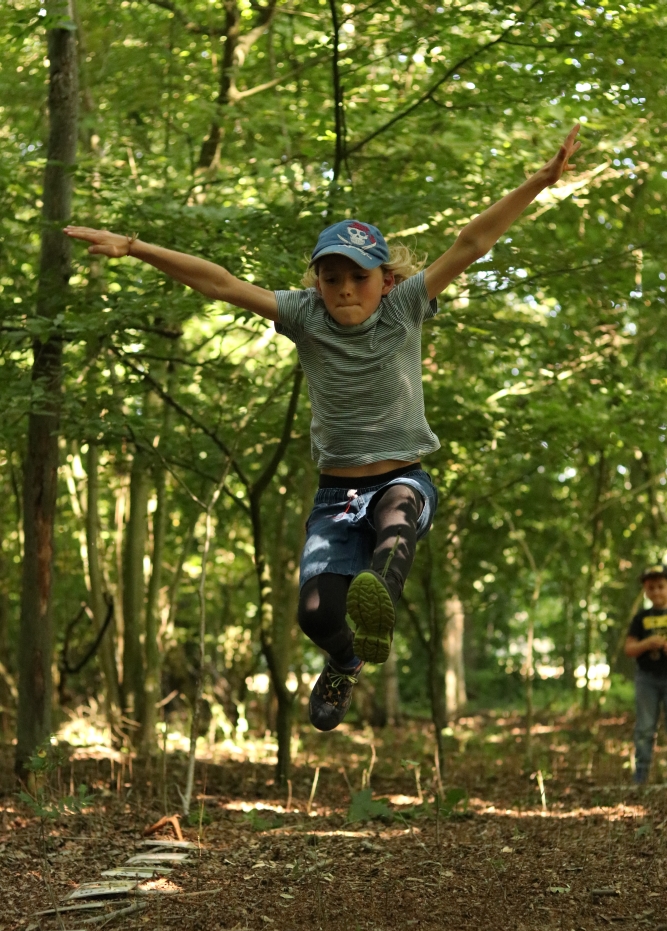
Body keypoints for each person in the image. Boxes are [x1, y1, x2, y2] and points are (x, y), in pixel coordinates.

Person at [64, 123, 581, 733]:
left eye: (357, 277)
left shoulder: (406, 306)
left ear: (385, 279)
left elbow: (472, 243)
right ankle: (345, 658)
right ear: (317, 282)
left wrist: (540, 182)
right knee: (315, 612)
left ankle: (380, 601)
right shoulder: (306, 317)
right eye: (330, 278)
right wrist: (135, 246)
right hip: (336, 494)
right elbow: (221, 283)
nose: (343, 290)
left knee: (396, 523)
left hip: (402, 478)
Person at [624, 565, 667, 784]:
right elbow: (629, 648)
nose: (657, 592)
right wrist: (647, 643)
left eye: (661, 586)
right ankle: (640, 776)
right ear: (645, 590)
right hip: (647, 679)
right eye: (652, 588)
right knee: (644, 728)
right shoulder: (640, 618)